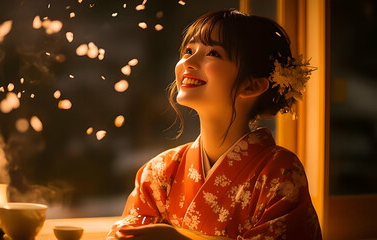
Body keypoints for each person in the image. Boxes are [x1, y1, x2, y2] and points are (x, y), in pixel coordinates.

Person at [107, 9, 322, 240]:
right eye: (188, 50)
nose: (188, 61)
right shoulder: (159, 172)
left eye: (213, 53)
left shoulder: (279, 173)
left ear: (252, 86)